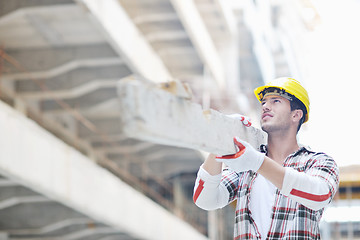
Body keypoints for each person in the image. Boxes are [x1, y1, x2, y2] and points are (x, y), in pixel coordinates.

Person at [193, 77, 339, 239]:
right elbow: (205, 199)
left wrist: (257, 162)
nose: (265, 106)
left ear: (296, 115)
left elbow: (319, 195)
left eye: (275, 101)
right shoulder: (246, 167)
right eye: (263, 102)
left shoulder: (317, 163)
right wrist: (222, 140)